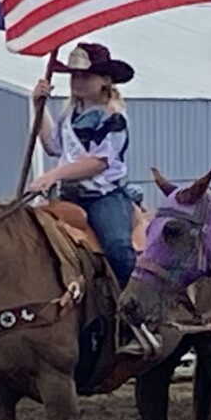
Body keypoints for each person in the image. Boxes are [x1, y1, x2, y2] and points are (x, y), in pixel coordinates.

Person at [28, 42, 138, 285]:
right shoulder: (69, 115)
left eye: (86, 75)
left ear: (105, 80)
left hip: (103, 196)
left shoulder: (113, 117)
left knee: (117, 247)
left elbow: (99, 162)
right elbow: (53, 146)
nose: (77, 81)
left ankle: (136, 306)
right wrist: (38, 107)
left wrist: (54, 175)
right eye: (74, 75)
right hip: (68, 194)